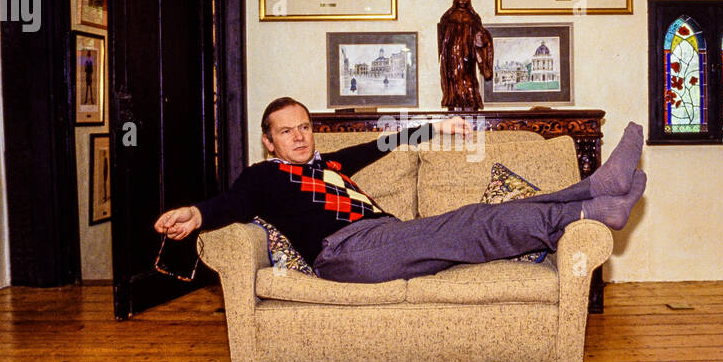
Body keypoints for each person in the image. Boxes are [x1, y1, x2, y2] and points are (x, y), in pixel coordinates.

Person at [154, 97, 646, 284]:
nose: (300, 135)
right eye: (288, 131)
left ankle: (597, 192)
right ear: (269, 140)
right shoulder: (263, 177)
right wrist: (195, 214)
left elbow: (382, 144)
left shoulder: (328, 164)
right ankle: (592, 205)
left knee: (476, 218)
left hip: (386, 239)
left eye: (304, 126)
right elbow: (230, 204)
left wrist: (437, 126)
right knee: (477, 223)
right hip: (346, 255)